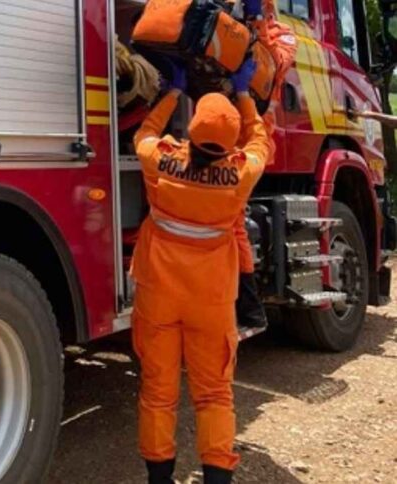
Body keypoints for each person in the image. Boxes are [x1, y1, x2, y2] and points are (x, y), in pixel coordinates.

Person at [131, 58, 270, 484]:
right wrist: (245, 96)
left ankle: (159, 477)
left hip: (158, 296)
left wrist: (172, 92)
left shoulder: (160, 161)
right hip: (211, 302)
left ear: (190, 131)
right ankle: (216, 476)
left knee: (158, 392)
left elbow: (144, 133)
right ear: (229, 143)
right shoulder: (240, 174)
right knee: (213, 393)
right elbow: (261, 143)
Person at [234, 0, 298, 330]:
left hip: (252, 139)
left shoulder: (285, 36)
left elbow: (272, 64)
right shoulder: (233, 24)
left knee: (231, 223)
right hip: (221, 132)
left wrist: (254, 25)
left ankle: (247, 306)